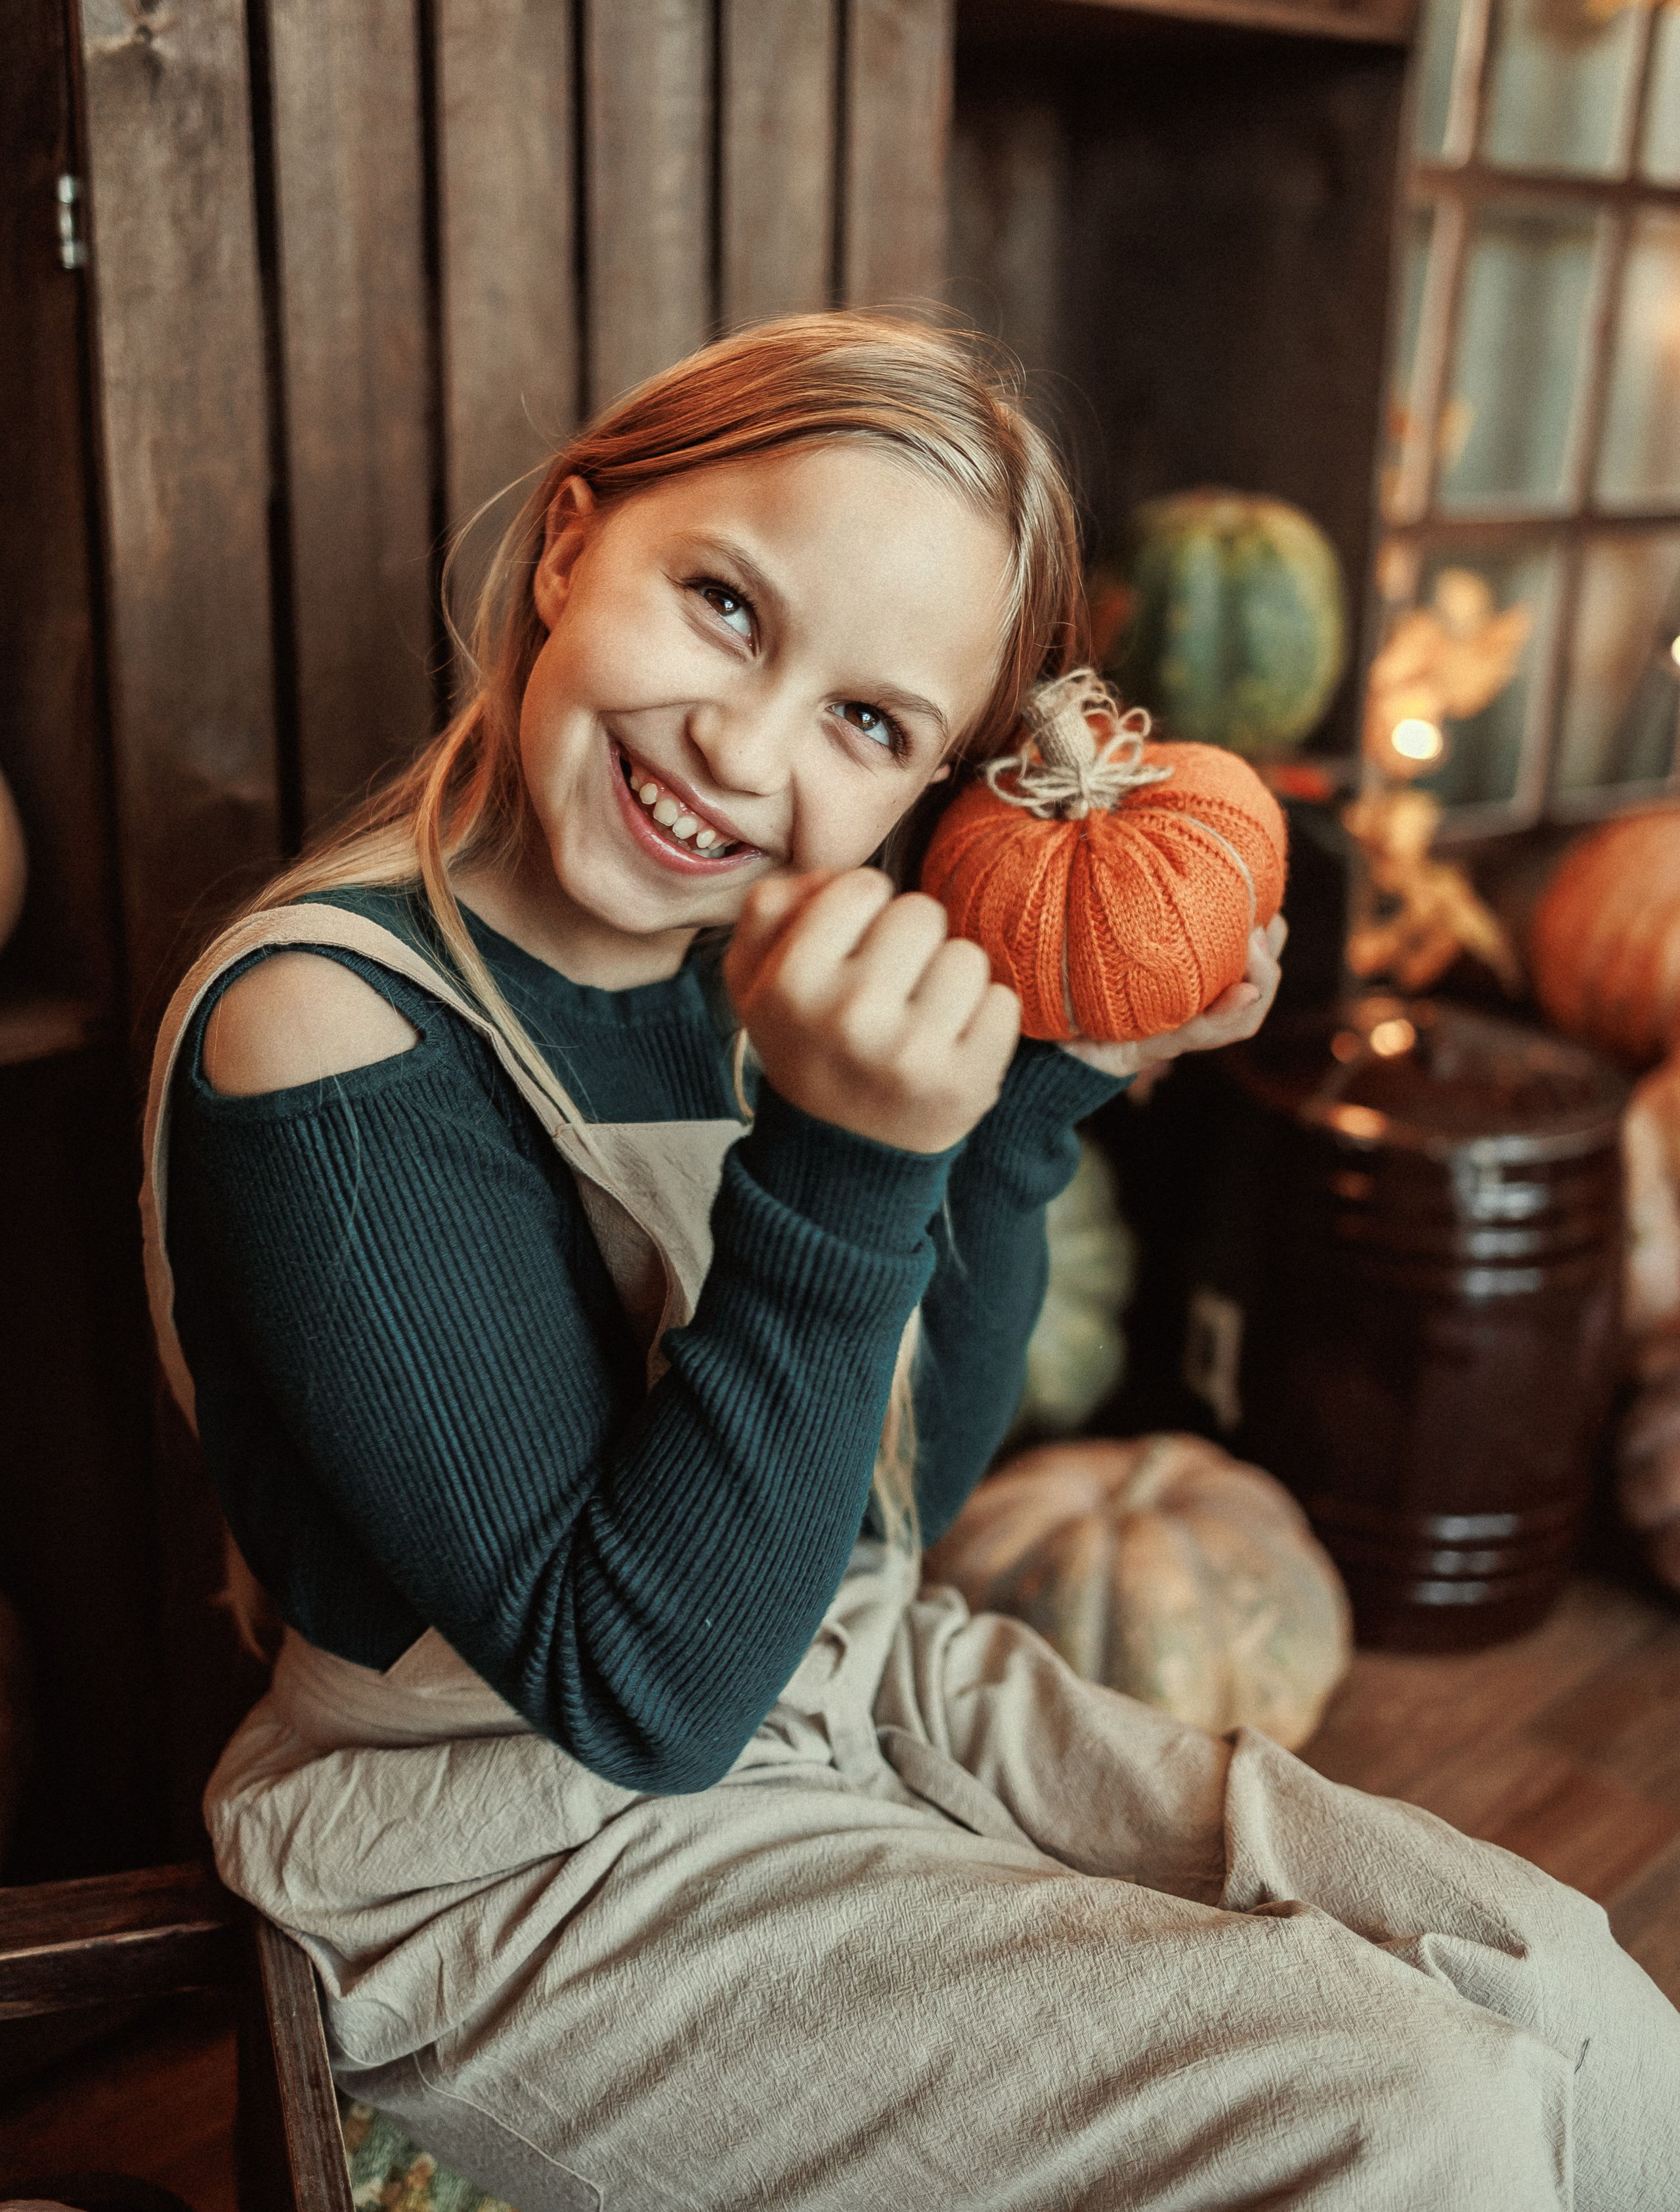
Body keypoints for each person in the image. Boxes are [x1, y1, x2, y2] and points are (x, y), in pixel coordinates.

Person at [144, 316, 1680, 2210]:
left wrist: (1041, 1099)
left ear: (924, 785)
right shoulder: (322, 1033)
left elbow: (893, 1512)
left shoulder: (752, 965)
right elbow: (639, 1690)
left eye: (870, 724)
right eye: (724, 605)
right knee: (1414, 2115)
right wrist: (853, 1159)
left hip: (852, 1678)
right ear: (568, 544)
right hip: (513, 1852)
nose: (744, 743)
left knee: (1572, 1998)